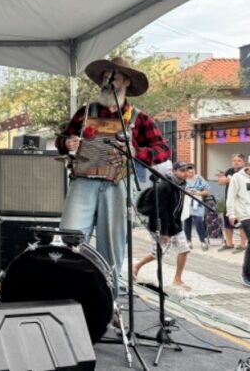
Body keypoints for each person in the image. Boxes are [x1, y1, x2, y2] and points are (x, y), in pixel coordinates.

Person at [57, 57, 170, 296]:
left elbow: (163, 150)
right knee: (71, 236)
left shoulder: (139, 118)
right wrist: (67, 142)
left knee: (112, 245)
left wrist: (137, 152)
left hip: (117, 185)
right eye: (105, 77)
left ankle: (108, 302)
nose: (108, 82)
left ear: (126, 82)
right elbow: (62, 139)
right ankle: (71, 293)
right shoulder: (86, 112)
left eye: (114, 77)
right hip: (83, 182)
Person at [133, 161, 193, 290]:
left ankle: (178, 279)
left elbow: (178, 207)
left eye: (187, 170)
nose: (185, 173)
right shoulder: (164, 186)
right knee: (158, 253)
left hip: (175, 224)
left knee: (184, 250)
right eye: (182, 170)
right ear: (174, 171)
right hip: (160, 225)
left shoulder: (182, 185)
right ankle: (137, 266)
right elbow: (161, 211)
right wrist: (164, 232)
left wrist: (177, 223)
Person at [225, 153, 250, 287]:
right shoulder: (238, 178)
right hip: (246, 215)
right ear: (249, 165)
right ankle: (247, 274)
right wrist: (231, 214)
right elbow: (231, 196)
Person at [217, 152, 248, 252]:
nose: (236, 162)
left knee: (242, 224)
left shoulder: (246, 172)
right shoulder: (230, 171)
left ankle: (242, 245)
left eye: (239, 161)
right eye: (234, 160)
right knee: (227, 223)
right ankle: (229, 244)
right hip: (229, 201)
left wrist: (229, 180)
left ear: (244, 162)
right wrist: (222, 179)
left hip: (241, 202)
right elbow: (221, 182)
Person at [181, 164, 211, 250]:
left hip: (197, 202)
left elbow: (208, 191)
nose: (191, 174)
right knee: (187, 221)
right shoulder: (183, 180)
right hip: (186, 203)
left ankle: (203, 240)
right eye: (189, 172)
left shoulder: (199, 179)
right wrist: (186, 192)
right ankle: (188, 241)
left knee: (198, 221)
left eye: (192, 172)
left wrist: (198, 193)